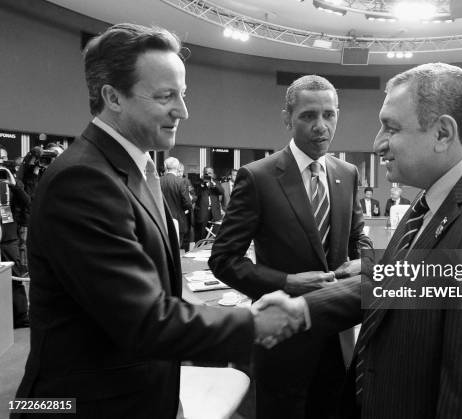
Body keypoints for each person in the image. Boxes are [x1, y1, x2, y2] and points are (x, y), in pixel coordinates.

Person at [14, 23, 295, 419]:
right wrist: (254, 323)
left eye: (182, 94)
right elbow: (145, 320)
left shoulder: (136, 169)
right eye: (166, 96)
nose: (183, 110)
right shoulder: (84, 179)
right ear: (113, 97)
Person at [257, 63, 462, 419]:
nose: (377, 143)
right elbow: (397, 283)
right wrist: (304, 309)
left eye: (391, 127)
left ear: (443, 133)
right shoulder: (435, 196)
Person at [209, 74, 373, 419]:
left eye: (329, 115)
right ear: (287, 118)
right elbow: (224, 259)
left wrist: (364, 261)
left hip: (337, 333)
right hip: (283, 337)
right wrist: (287, 282)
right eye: (308, 116)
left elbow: (359, 236)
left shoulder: (347, 173)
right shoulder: (258, 176)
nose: (321, 126)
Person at [0, 146, 30, 328]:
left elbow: (27, 203)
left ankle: (20, 317)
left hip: (8, 238)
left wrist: (13, 184)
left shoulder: (11, 181)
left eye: (2, 159)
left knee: (16, 277)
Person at [160, 156, 191, 249]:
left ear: (165, 166)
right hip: (178, 219)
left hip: (162, 219)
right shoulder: (181, 182)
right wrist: (184, 210)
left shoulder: (158, 180)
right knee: (176, 249)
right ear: (177, 167)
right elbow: (188, 203)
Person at [193, 166, 224, 241]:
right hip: (202, 212)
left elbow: (221, 191)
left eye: (209, 173)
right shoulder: (198, 182)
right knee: (201, 234)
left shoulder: (216, 183)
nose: (208, 174)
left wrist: (213, 184)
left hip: (214, 213)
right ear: (203, 174)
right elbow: (196, 193)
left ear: (213, 174)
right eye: (206, 173)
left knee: (214, 235)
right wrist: (203, 185)